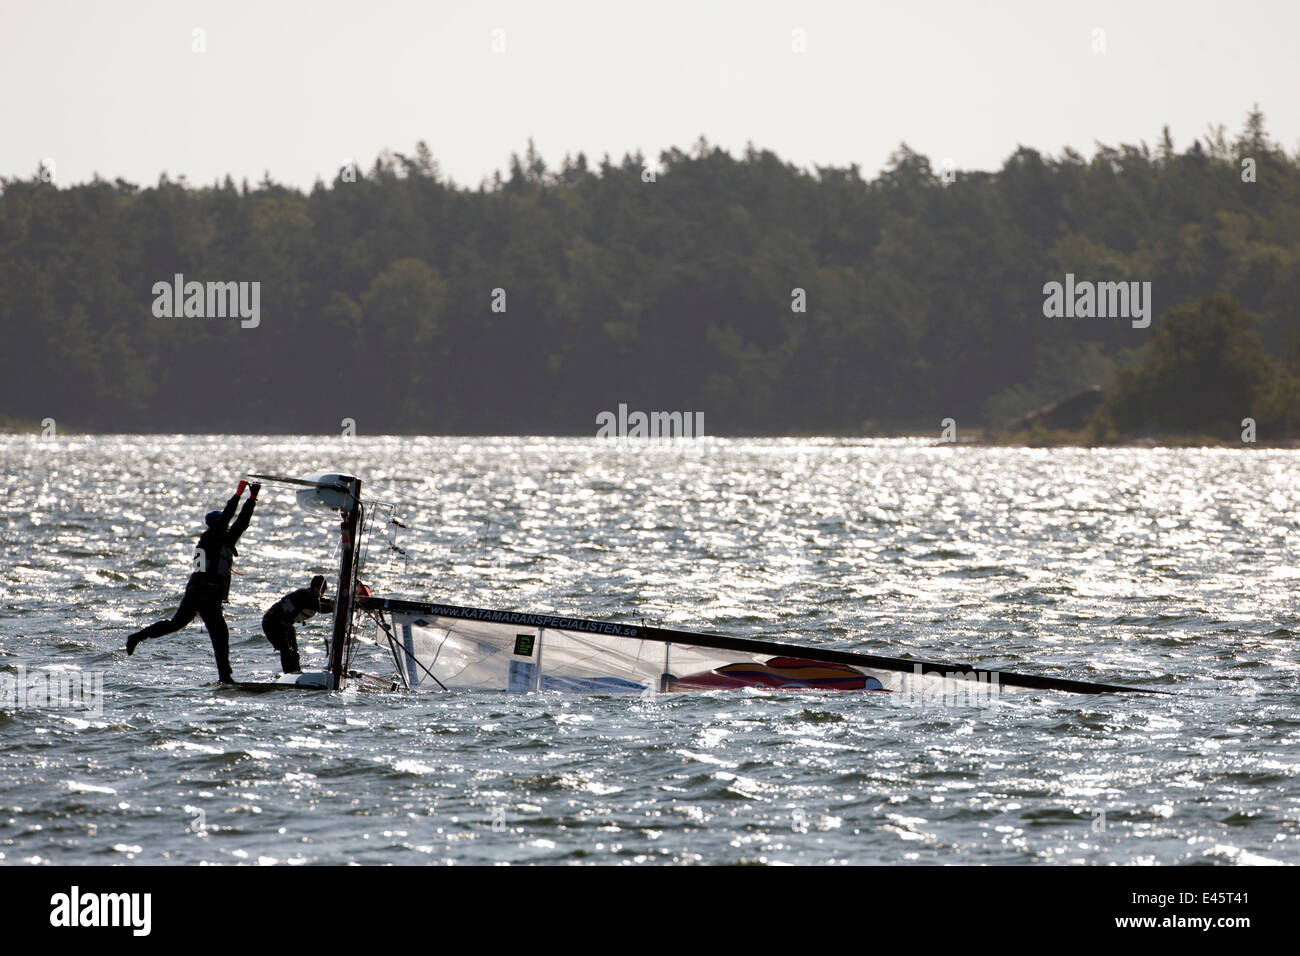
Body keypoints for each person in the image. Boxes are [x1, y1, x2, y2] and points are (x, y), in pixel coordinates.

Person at [125, 481, 260, 683]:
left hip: (201, 594)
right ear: (216, 525)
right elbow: (229, 515)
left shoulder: (226, 539)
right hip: (202, 594)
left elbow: (241, 522)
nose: (227, 527)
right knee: (220, 635)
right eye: (222, 524)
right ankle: (225, 678)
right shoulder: (209, 539)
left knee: (176, 625)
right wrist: (239, 494)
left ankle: (136, 637)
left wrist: (252, 498)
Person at [261, 575, 328, 674]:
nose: (322, 593)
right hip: (271, 622)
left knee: (294, 651)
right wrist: (337, 606)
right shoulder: (304, 596)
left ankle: (296, 672)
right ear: (315, 588)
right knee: (286, 648)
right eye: (320, 590)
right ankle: (289, 673)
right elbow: (320, 607)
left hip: (286, 625)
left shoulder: (313, 597)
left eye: (324, 591)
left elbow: (324, 602)